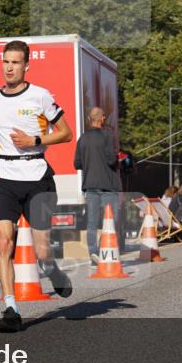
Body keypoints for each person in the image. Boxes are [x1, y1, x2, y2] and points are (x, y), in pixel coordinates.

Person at [0, 40, 73, 333]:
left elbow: (65, 133)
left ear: (26, 66)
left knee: (42, 249)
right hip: (6, 176)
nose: (9, 68)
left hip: (37, 176)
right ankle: (11, 309)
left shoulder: (40, 96)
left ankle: (51, 269)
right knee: (4, 239)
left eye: (15, 63)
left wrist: (35, 141)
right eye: (5, 62)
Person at [74, 107, 122, 266]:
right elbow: (110, 160)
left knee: (92, 222)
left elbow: (77, 163)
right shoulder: (107, 136)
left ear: (89, 119)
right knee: (111, 220)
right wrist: (117, 160)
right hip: (107, 185)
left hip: (90, 185)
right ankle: (104, 249)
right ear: (102, 118)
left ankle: (93, 253)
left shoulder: (82, 139)